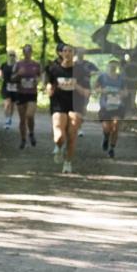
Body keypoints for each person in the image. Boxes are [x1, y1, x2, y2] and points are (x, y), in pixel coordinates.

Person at [44, 44, 89, 174]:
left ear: (74, 54)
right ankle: (58, 147)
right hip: (59, 103)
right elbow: (49, 85)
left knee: (72, 134)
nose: (68, 53)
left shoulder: (81, 70)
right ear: (61, 54)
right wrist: (49, 89)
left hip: (76, 104)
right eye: (65, 51)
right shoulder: (54, 70)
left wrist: (75, 86)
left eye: (70, 51)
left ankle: (68, 162)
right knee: (59, 135)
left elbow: (87, 92)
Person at [96, 58, 127, 158]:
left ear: (117, 67)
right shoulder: (102, 77)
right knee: (107, 128)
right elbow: (96, 88)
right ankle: (106, 137)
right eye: (111, 65)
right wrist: (102, 91)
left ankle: (112, 148)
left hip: (118, 106)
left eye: (115, 65)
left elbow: (126, 91)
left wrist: (122, 94)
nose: (113, 67)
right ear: (108, 66)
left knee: (116, 126)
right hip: (105, 106)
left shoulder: (121, 78)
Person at [12, 44, 42, 149]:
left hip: (32, 93)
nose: (27, 53)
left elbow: (40, 77)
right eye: (25, 51)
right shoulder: (18, 64)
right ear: (23, 53)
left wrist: (37, 81)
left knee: (29, 115)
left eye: (29, 51)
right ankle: (23, 139)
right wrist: (18, 74)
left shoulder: (36, 64)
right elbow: (12, 78)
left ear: (31, 52)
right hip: (21, 93)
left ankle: (31, 133)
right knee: (22, 119)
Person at [0, 50, 18, 129]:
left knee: (12, 104)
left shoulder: (17, 65)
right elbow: (0, 73)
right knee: (7, 103)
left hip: (15, 86)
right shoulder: (4, 65)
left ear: (15, 56)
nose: (12, 57)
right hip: (6, 86)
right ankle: (7, 119)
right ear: (8, 56)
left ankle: (10, 117)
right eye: (10, 55)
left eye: (13, 55)